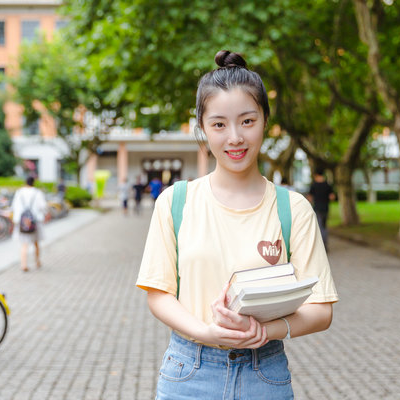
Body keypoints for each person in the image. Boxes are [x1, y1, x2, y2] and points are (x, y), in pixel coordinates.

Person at [136, 50, 338, 399]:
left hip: (264, 374)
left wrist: (268, 330)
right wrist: (206, 331)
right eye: (219, 124)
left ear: (265, 121)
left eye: (247, 121)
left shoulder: (294, 209)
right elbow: (159, 294)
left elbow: (321, 310)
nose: (235, 138)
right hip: (189, 373)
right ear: (202, 127)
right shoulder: (175, 202)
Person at [11, 176, 47, 272]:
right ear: (33, 182)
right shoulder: (37, 192)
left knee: (24, 244)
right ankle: (37, 261)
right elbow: (43, 206)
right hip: (35, 221)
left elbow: (14, 206)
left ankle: (24, 264)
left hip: (22, 222)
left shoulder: (19, 192)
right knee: (36, 243)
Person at [308, 168, 336, 249]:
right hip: (325, 208)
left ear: (316, 175)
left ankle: (320, 246)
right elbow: (332, 197)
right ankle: (325, 244)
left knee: (319, 226)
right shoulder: (327, 185)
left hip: (317, 208)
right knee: (324, 226)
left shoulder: (314, 185)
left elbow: (309, 197)